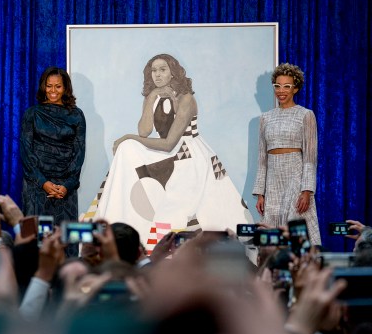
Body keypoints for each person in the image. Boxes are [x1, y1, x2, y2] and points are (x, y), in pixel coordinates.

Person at [92, 54, 252, 247]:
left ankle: (177, 245)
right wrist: (151, 99)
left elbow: (169, 143)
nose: (157, 75)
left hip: (187, 153)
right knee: (127, 150)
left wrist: (128, 137)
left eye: (163, 69)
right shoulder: (154, 97)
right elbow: (144, 131)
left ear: (173, 73)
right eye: (153, 70)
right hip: (165, 151)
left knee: (178, 204)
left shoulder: (186, 99)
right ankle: (122, 219)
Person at [253, 63, 321, 244]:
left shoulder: (306, 115)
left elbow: (310, 158)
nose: (281, 91)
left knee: (296, 231)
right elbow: (261, 159)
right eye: (277, 86)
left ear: (295, 88)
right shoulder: (265, 118)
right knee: (271, 235)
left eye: (286, 86)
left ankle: (303, 269)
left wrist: (306, 190)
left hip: (295, 178)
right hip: (272, 181)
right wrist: (260, 192)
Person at [20, 67, 86, 224]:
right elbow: (26, 152)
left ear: (65, 88)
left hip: (65, 189)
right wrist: (43, 183)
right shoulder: (32, 114)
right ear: (43, 87)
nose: (53, 91)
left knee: (64, 240)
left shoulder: (76, 115)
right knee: (36, 240)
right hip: (36, 186)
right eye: (49, 86)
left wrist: (67, 185)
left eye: (58, 86)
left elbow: (79, 153)